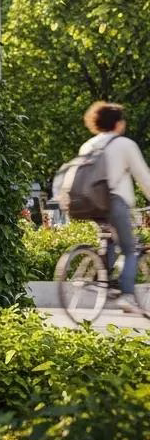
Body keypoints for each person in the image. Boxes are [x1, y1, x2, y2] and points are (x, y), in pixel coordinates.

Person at [79, 101, 150, 315]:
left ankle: (102, 280)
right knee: (129, 250)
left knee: (109, 239)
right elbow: (143, 176)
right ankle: (127, 296)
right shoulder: (125, 144)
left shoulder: (88, 145)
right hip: (115, 201)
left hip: (90, 202)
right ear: (118, 124)